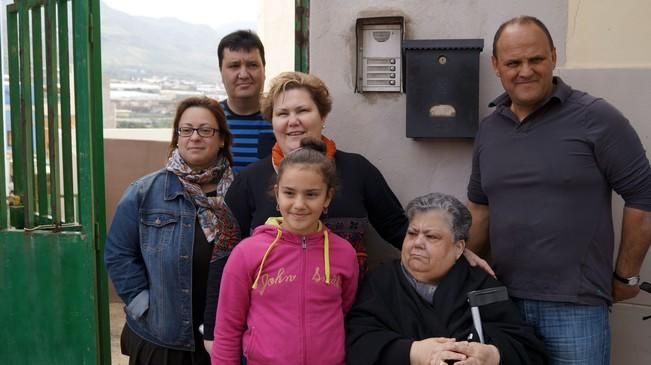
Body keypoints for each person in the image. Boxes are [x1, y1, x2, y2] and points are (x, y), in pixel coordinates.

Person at [202, 71, 492, 349]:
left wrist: (452, 249)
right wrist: (214, 330)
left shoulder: (357, 171)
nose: (293, 121)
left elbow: (397, 228)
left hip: (351, 325)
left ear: (323, 116)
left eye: (303, 110)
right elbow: (223, 255)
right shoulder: (250, 180)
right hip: (272, 333)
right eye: (282, 114)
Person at [466, 15, 651, 364]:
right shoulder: (489, 130)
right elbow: (479, 209)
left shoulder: (597, 118)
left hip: (575, 307)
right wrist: (460, 275)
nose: (525, 71)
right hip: (502, 303)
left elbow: (643, 195)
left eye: (535, 59)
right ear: (496, 66)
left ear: (553, 55)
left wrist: (627, 274)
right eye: (513, 62)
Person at [105, 96, 240, 365]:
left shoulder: (240, 193)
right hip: (161, 338)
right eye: (186, 130)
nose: (195, 137)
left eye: (205, 130)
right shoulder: (145, 192)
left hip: (222, 335)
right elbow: (118, 255)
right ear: (177, 137)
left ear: (222, 139)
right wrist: (144, 306)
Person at [345, 193, 547, 365]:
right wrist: (413, 352)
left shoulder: (481, 284)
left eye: (431, 237)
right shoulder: (382, 281)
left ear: (459, 248)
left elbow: (527, 348)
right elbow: (356, 340)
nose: (417, 243)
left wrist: (492, 355)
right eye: (412, 233)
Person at [211, 138, 359, 365]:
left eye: (311, 194)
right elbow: (227, 329)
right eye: (290, 193)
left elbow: (345, 311)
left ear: (327, 197)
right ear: (277, 194)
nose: (299, 204)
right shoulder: (247, 253)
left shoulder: (344, 254)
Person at [218, 30, 274, 172]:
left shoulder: (283, 118)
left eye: (252, 65)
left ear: (264, 70)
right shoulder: (210, 120)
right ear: (221, 72)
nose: (243, 75)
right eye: (234, 66)